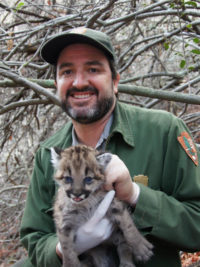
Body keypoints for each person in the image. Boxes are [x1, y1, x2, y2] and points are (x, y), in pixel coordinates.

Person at [19, 27, 200, 267]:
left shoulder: (164, 131)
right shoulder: (48, 154)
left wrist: (136, 196)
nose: (79, 81)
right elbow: (34, 239)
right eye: (67, 71)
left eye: (93, 69)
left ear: (115, 81)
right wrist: (63, 249)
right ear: (56, 84)